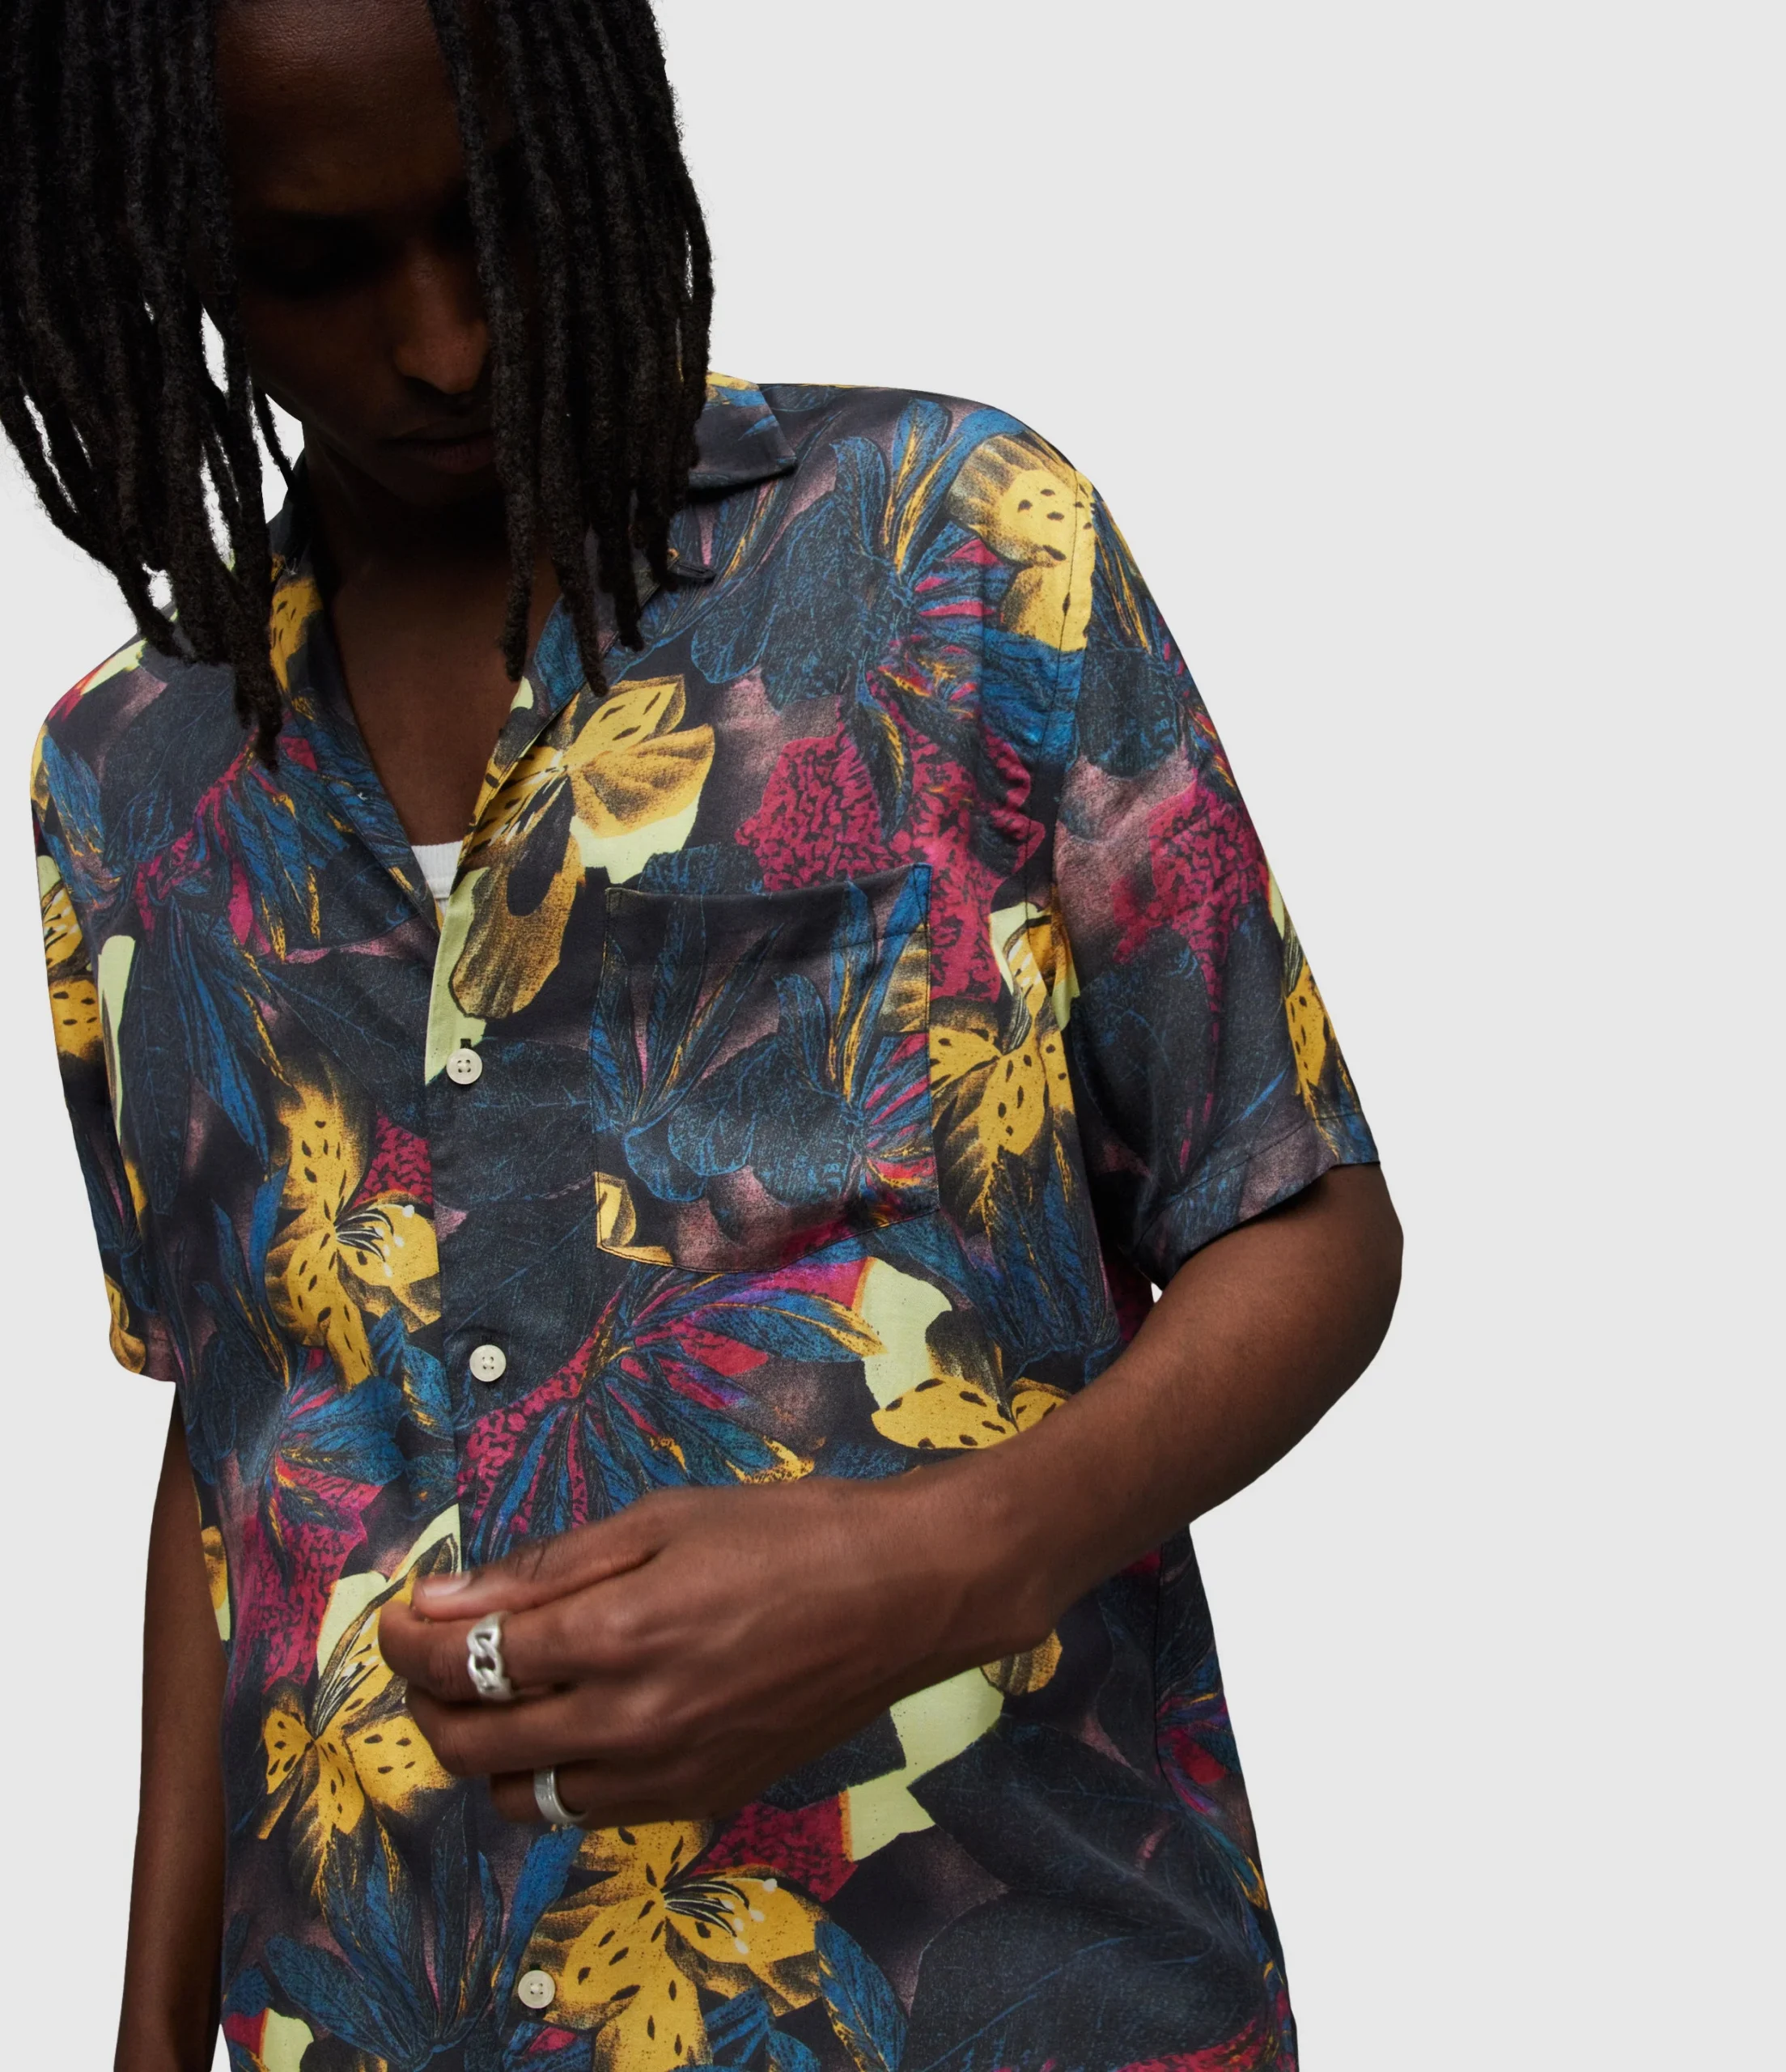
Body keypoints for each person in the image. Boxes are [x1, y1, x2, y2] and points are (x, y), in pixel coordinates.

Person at [11, 2, 1402, 2067]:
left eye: (497, 218)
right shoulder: (124, 774)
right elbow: (243, 1435)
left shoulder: (945, 539)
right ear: (171, 249)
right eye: (314, 264)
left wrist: (949, 1558)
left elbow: (1299, 1218)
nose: (445, 343)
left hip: (996, 1998)